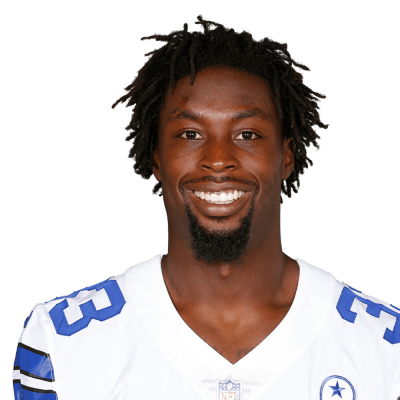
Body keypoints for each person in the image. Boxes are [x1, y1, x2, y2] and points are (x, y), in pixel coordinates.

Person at [12, 14, 400, 400]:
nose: (218, 159)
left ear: (286, 156)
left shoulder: (385, 350)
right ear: (156, 157)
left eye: (247, 134)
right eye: (190, 134)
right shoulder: (63, 344)